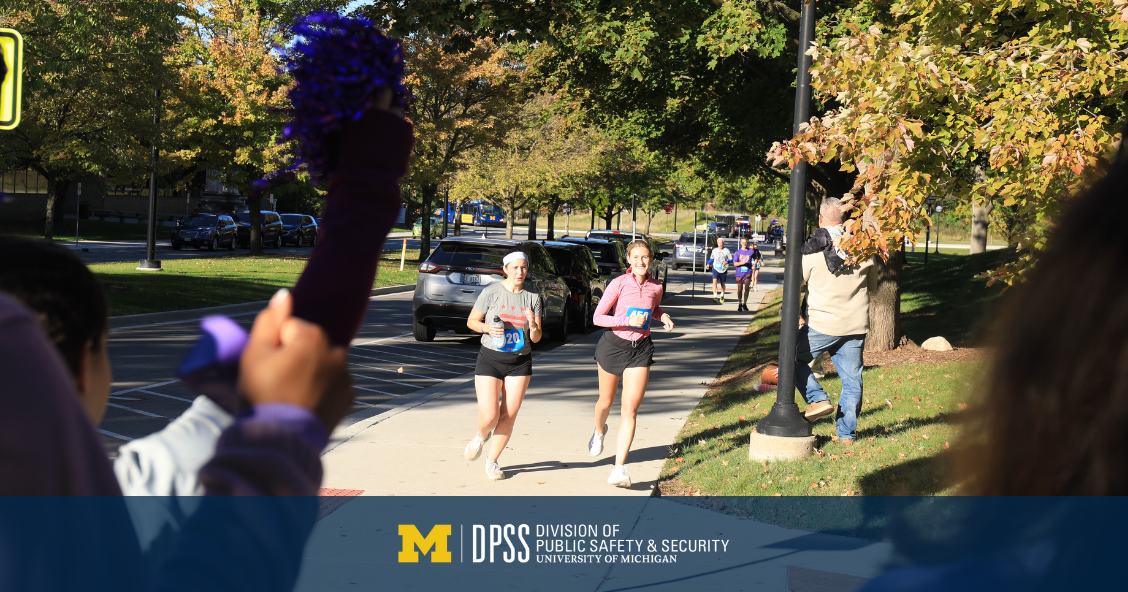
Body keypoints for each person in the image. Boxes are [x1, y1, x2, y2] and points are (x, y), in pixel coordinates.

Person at [590, 239, 675, 487]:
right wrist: (625, 320)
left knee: (630, 410)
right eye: (635, 257)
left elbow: (654, 309)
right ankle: (599, 430)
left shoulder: (656, 286)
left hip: (641, 350)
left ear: (651, 259)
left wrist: (663, 316)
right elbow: (597, 317)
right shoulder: (618, 284)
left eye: (645, 257)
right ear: (628, 259)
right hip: (613, 347)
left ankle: (619, 469)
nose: (640, 262)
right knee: (605, 402)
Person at [794, 197, 878, 444]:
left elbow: (795, 286)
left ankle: (817, 399)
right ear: (845, 221)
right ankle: (846, 435)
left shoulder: (812, 253)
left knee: (792, 359)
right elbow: (872, 285)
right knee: (852, 382)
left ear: (820, 220)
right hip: (854, 325)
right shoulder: (863, 249)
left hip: (821, 325)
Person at [464, 251, 543, 481]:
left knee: (509, 414)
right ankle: (481, 436)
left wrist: (532, 324)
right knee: (489, 416)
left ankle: (492, 462)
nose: (520, 272)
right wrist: (486, 328)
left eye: (524, 268)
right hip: (491, 358)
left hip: (520, 361)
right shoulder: (491, 293)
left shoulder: (533, 298)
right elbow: (472, 321)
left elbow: (537, 338)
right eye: (515, 268)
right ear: (505, 269)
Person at [732, 236, 763, 311]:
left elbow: (756, 257)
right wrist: (740, 263)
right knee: (740, 289)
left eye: (745, 243)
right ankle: (740, 303)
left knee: (746, 288)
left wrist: (754, 265)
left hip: (748, 272)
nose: (744, 244)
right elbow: (735, 264)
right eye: (742, 243)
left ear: (747, 243)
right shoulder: (737, 252)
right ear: (740, 243)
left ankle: (745, 303)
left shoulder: (751, 251)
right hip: (739, 272)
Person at [707, 237, 733, 303]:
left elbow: (730, 259)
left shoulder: (726, 250)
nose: (720, 244)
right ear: (717, 243)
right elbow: (712, 258)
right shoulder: (714, 250)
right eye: (719, 243)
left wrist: (727, 262)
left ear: (723, 243)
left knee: (722, 283)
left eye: (721, 243)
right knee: (714, 282)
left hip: (723, 269)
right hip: (715, 268)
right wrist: (708, 264)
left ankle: (722, 295)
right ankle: (715, 297)